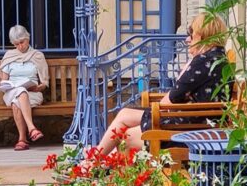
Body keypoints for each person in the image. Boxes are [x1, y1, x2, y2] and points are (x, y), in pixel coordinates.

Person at [96, 12, 230, 155]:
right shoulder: (216, 58)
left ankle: (97, 166)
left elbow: (169, 101)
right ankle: (93, 164)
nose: (187, 39)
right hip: (192, 121)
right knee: (124, 115)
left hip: (189, 129)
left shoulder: (203, 61)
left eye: (191, 33)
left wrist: (185, 71)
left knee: (126, 137)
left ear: (202, 35)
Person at [0, 25, 50, 151]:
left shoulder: (37, 55)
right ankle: (32, 128)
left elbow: (44, 82)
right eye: (16, 44)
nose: (20, 46)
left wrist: (39, 86)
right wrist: (7, 85)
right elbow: (4, 82)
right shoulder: (9, 56)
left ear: (28, 38)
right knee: (20, 92)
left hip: (32, 93)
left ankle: (22, 139)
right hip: (11, 92)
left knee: (17, 102)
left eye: (22, 42)